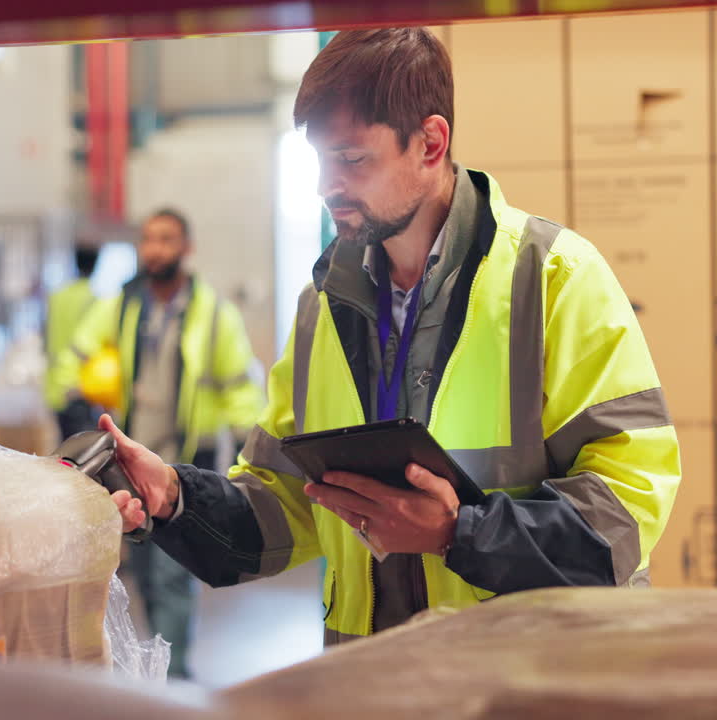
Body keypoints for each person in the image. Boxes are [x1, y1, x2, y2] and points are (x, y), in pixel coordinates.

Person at [101, 28, 682, 646]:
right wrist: (174, 498)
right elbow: (289, 505)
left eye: (352, 160)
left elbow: (627, 508)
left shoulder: (556, 278)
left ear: (431, 143)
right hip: (372, 681)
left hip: (528, 682)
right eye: (320, 160)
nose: (328, 184)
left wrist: (459, 531)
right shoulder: (323, 305)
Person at [47, 208, 266, 677]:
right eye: (148, 239)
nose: (154, 249)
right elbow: (75, 358)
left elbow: (240, 388)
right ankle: (157, 677)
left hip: (186, 460)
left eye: (166, 240)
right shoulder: (122, 307)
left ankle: (176, 681)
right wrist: (70, 406)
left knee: (172, 575)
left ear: (186, 249)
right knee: (143, 571)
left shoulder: (214, 315)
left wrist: (253, 446)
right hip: (128, 460)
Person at [44, 245, 101, 441]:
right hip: (79, 385)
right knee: (81, 451)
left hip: (54, 383)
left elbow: (47, 336)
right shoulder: (94, 299)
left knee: (63, 447)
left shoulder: (57, 296)